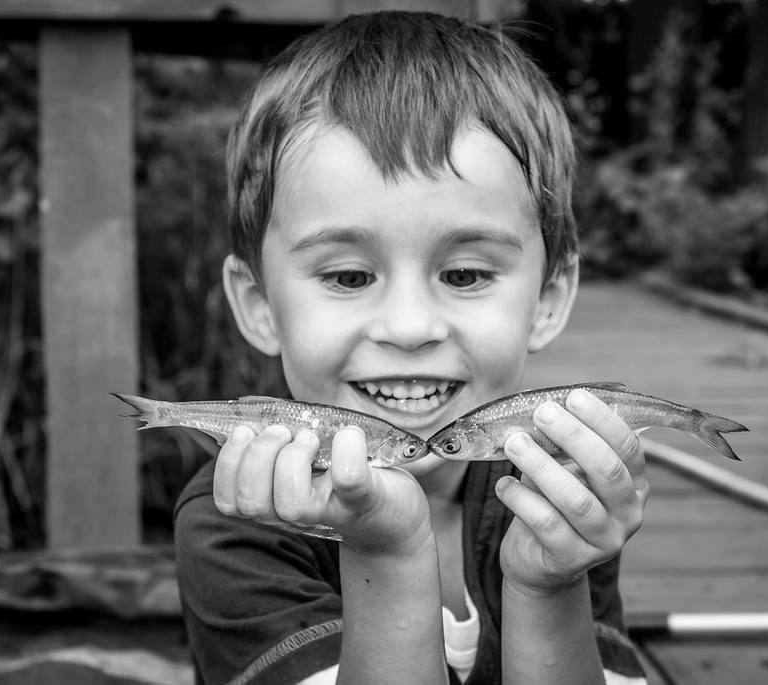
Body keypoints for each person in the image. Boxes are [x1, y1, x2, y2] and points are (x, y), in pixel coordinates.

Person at [175, 11, 649, 685]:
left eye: (464, 275)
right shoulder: (239, 516)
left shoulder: (558, 495)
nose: (408, 326)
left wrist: (550, 588)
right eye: (348, 276)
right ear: (258, 304)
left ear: (546, 297)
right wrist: (389, 555)